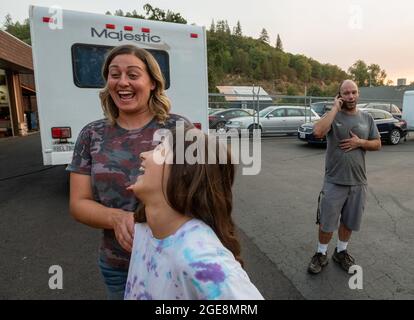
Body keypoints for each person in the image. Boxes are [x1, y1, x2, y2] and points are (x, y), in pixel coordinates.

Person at [67, 44, 190, 299]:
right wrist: (117, 218)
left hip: (175, 260)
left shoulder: (179, 129)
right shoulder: (91, 134)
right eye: (115, 74)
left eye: (133, 75)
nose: (123, 82)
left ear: (153, 82)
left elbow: (202, 195)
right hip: (118, 266)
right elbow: (79, 203)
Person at [124, 127, 264, 299]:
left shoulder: (202, 260)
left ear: (184, 172)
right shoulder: (145, 229)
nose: (144, 154)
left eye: (160, 149)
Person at [307, 80, 381, 274]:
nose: (350, 96)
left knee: (349, 222)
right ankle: (320, 254)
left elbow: (377, 144)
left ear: (358, 94)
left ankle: (341, 252)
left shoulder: (367, 118)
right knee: (327, 223)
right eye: (346, 93)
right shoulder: (333, 116)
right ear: (339, 95)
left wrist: (360, 142)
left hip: (358, 182)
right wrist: (334, 109)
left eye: (353, 92)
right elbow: (318, 131)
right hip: (334, 181)